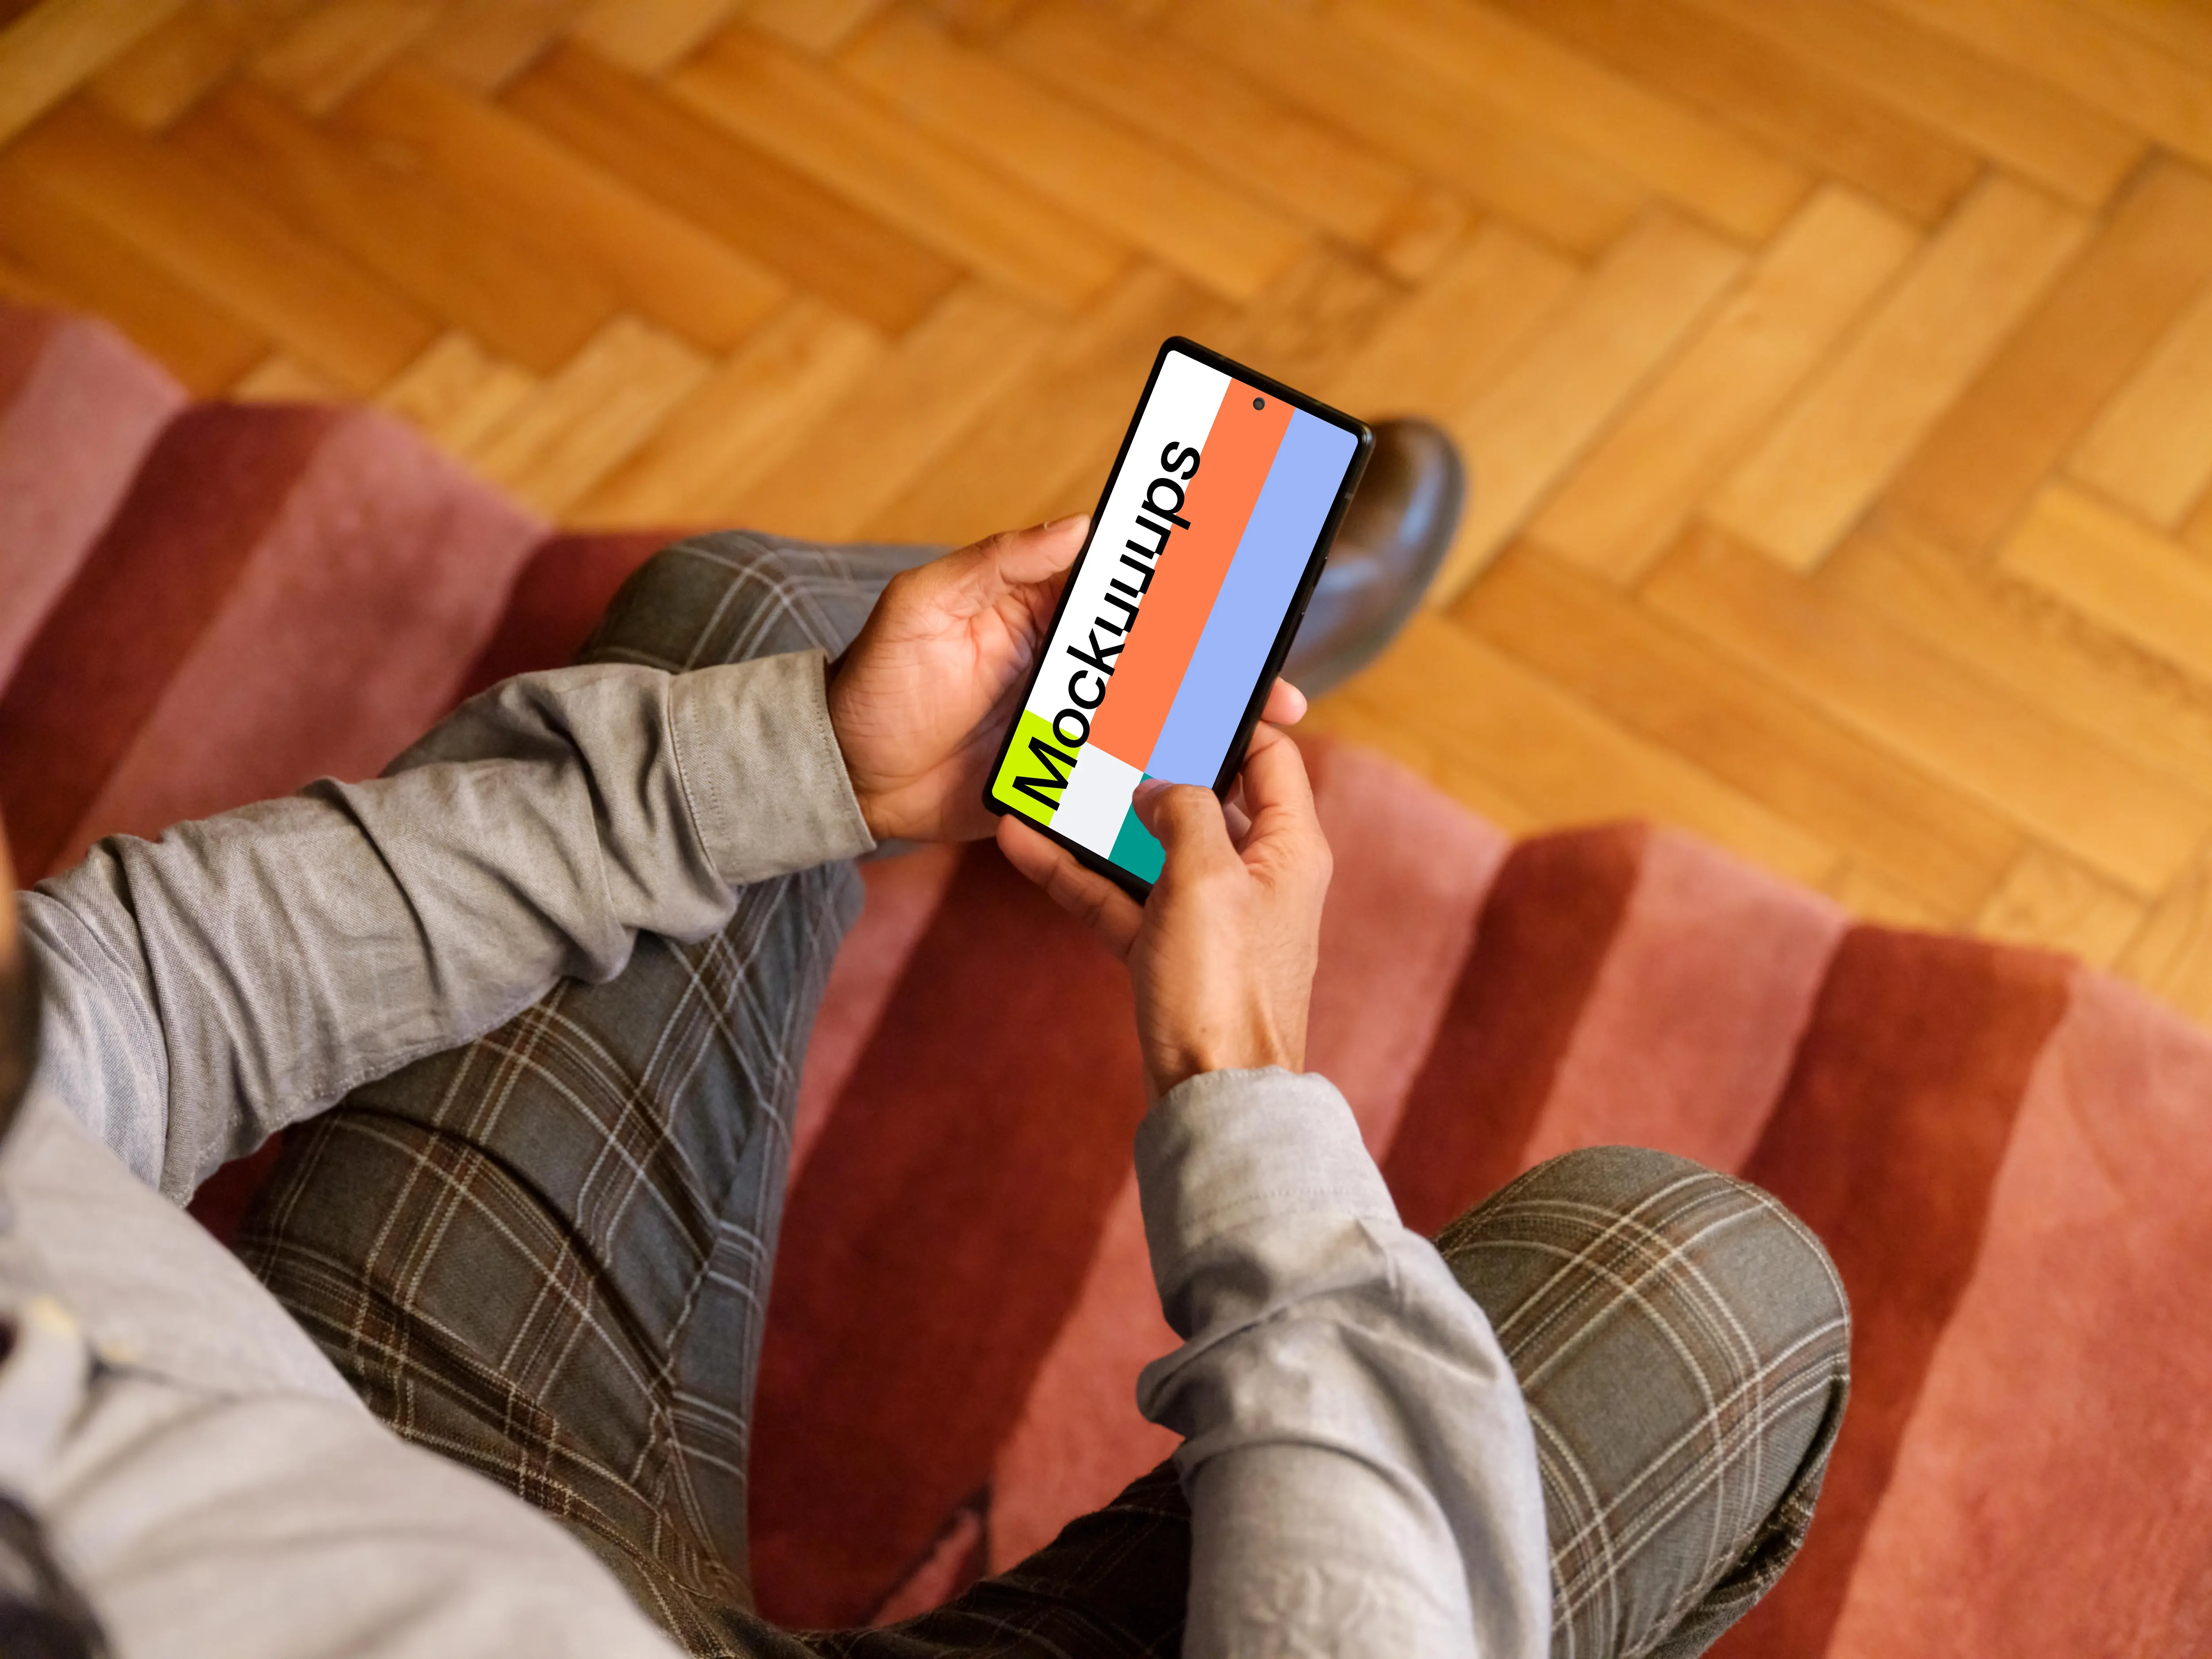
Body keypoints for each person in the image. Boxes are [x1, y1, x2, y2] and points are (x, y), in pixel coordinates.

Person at [0, 424, 1848, 1659]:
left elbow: (116, 997)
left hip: (348, 1452)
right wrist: (1239, 1080)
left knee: (751, 630)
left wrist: (811, 759)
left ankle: (1159, 705)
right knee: (1710, 1290)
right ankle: (1168, 718)